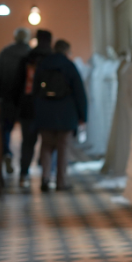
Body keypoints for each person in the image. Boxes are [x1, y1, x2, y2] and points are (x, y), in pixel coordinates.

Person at [33, 39, 87, 192]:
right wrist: (83, 115)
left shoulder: (43, 65)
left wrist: (36, 111)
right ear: (66, 51)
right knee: (63, 149)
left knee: (46, 147)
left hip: (45, 113)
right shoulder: (69, 66)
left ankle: (45, 178)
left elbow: (35, 90)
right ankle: (61, 182)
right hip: (66, 114)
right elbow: (79, 92)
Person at [15, 29, 53, 188]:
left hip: (28, 106)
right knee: (48, 143)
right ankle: (46, 176)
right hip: (47, 106)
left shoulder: (27, 59)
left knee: (28, 142)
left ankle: (24, 174)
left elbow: (17, 84)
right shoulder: (52, 59)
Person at [0, 27, 31, 174]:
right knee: (27, 135)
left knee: (6, 129)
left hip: (6, 97)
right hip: (24, 99)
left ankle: (7, 153)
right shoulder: (29, 53)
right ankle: (24, 170)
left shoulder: (5, 52)